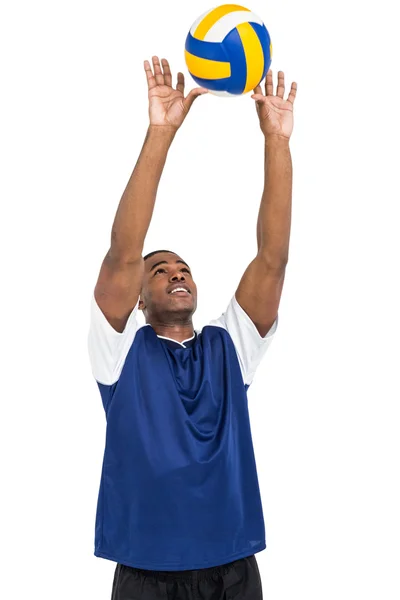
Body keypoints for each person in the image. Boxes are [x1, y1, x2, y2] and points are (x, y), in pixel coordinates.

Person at [88, 56, 296, 600]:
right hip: (148, 574)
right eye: (160, 271)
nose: (176, 273)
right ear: (136, 297)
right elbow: (123, 251)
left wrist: (276, 140)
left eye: (183, 268)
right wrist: (161, 132)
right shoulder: (119, 354)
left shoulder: (231, 347)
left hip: (232, 568)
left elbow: (271, 259)